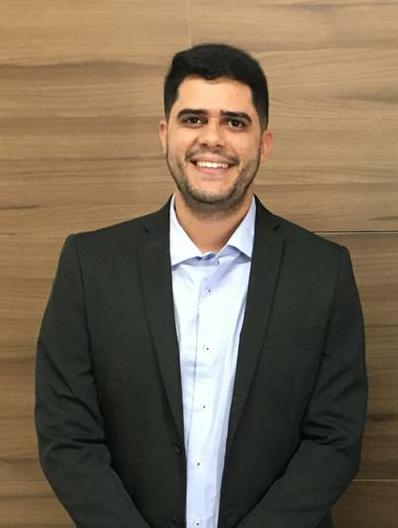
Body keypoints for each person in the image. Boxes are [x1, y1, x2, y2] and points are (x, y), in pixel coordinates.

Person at [35, 43, 366, 528]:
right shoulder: (90, 266)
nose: (212, 138)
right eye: (193, 119)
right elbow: (67, 437)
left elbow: (334, 440)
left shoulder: (323, 271)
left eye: (235, 122)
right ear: (165, 134)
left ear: (264, 143)